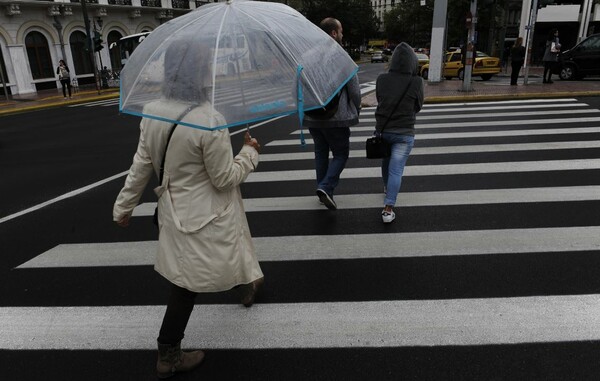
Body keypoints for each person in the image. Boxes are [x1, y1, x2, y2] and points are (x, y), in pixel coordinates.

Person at [113, 41, 264, 379]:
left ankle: (248, 284)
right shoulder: (209, 120)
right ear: (201, 75)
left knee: (226, 250)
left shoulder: (152, 110)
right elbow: (225, 178)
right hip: (206, 214)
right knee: (186, 284)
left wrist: (123, 207)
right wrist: (249, 154)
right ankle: (168, 353)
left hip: (172, 210)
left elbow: (141, 165)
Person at [304, 17, 361, 210]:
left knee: (320, 153)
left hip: (312, 115)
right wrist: (357, 108)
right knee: (341, 154)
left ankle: (323, 191)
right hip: (336, 116)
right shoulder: (341, 56)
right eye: (341, 31)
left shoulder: (306, 56)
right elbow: (354, 90)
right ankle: (326, 187)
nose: (343, 35)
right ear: (334, 33)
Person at [374, 42, 424, 223]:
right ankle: (388, 209)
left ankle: (387, 188)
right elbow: (418, 106)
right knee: (397, 169)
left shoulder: (381, 79)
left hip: (384, 130)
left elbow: (381, 100)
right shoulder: (416, 81)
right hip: (404, 132)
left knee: (385, 162)